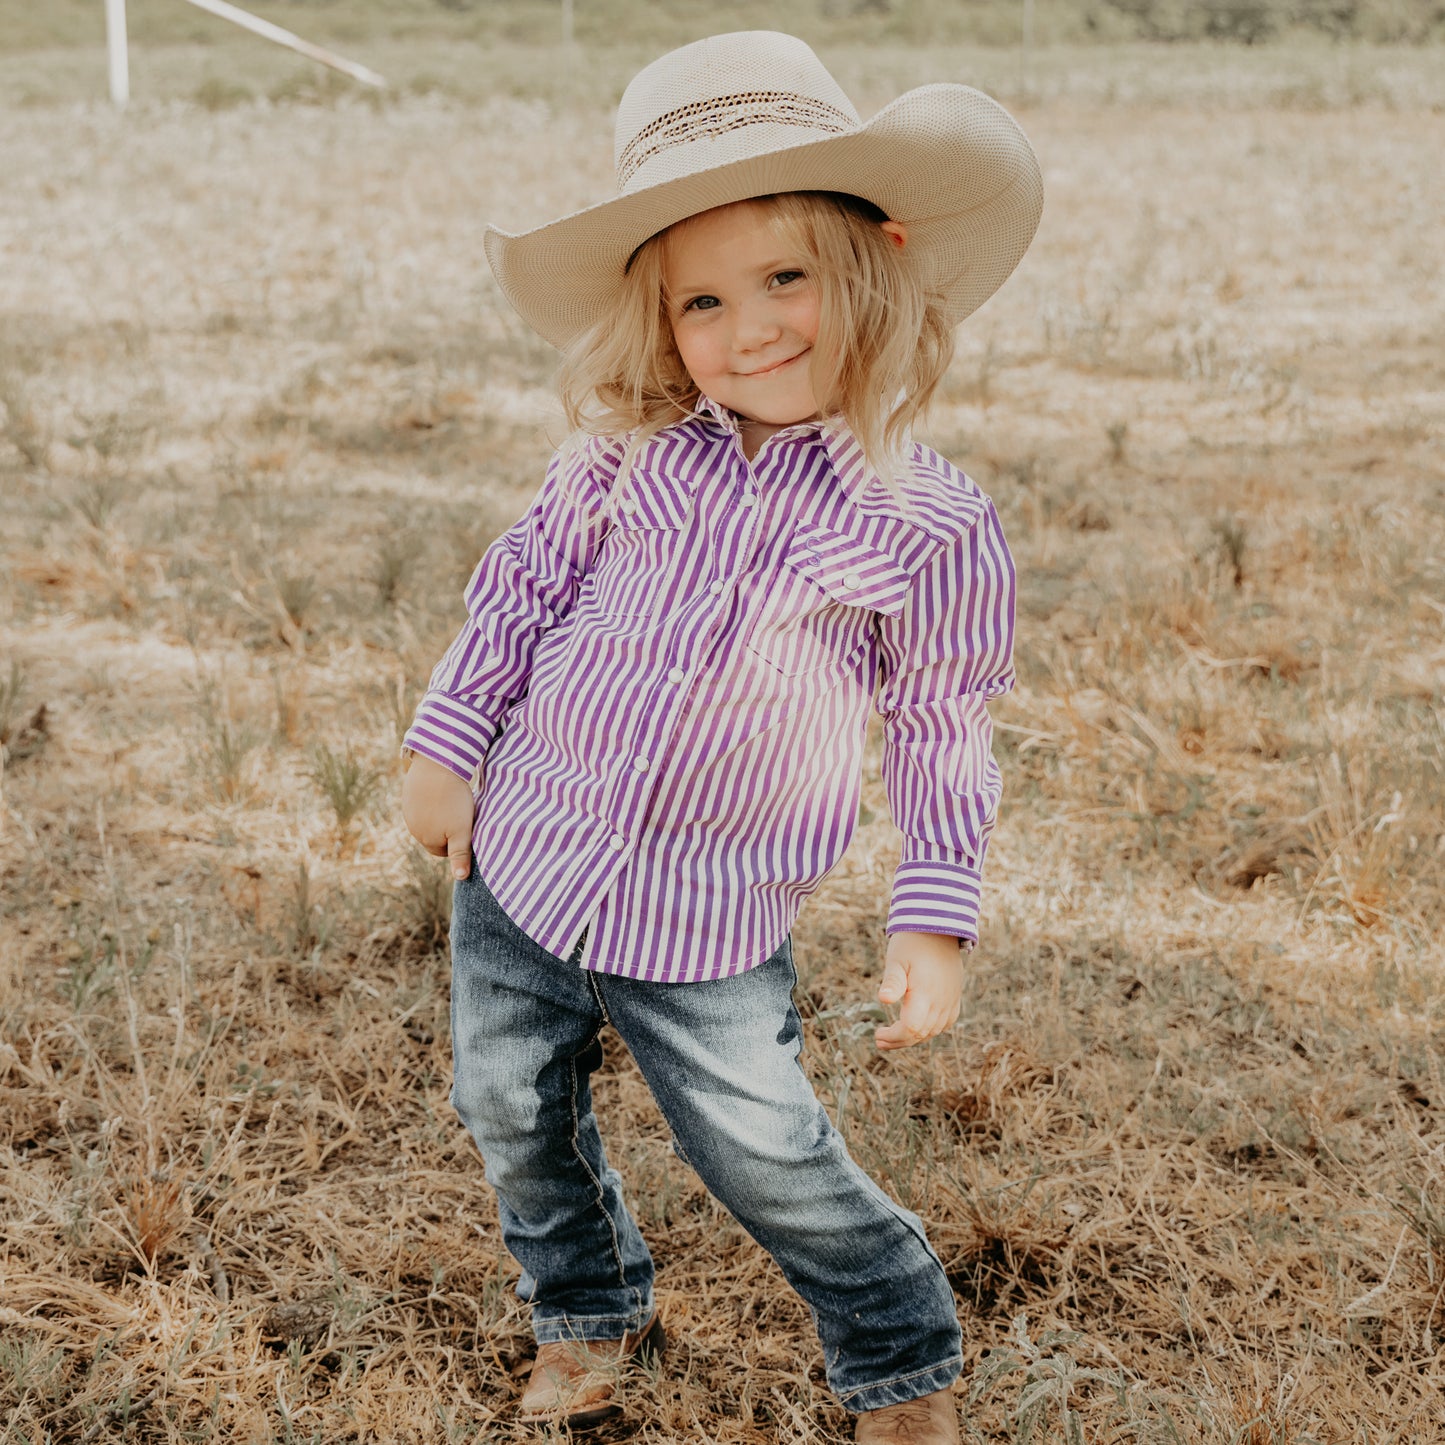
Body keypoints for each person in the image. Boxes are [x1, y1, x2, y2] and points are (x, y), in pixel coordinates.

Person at [400, 31, 1041, 1445]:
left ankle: (899, 1357)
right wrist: (445, 747)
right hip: (526, 856)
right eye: (701, 298)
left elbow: (942, 725)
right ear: (659, 318)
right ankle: (585, 1304)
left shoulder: (925, 520)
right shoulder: (623, 458)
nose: (745, 326)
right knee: (508, 1098)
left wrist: (931, 916)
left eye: (784, 278)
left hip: (709, 905)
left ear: (870, 265)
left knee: (764, 1148)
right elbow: (517, 594)